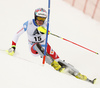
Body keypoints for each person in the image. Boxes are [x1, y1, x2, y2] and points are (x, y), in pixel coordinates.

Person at [7, 8, 96, 84]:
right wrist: (13, 47)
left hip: (45, 45)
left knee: (60, 61)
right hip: (33, 47)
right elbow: (17, 34)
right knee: (38, 46)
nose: (40, 21)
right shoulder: (29, 24)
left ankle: (82, 77)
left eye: (43, 19)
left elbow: (46, 31)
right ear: (35, 16)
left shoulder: (46, 24)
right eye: (39, 18)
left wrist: (46, 31)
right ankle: (55, 66)